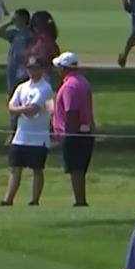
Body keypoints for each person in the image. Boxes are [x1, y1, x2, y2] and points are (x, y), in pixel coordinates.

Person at [0, 56, 53, 207]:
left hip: (39, 136)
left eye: (35, 68)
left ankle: (34, 200)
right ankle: (8, 199)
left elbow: (34, 109)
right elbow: (11, 106)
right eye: (30, 68)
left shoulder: (45, 88)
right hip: (21, 135)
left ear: (41, 69)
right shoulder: (22, 87)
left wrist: (20, 110)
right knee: (15, 168)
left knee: (37, 169)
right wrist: (22, 109)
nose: (32, 71)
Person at [52, 52, 96, 207]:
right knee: (78, 168)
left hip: (74, 132)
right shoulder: (82, 81)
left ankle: (79, 200)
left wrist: (68, 134)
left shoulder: (70, 86)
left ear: (64, 68)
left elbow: (72, 111)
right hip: (84, 131)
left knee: (75, 168)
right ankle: (80, 199)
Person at [0, 8, 34, 142]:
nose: (15, 21)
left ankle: (19, 131)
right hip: (12, 71)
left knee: (22, 101)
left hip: (23, 71)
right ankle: (13, 129)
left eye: (16, 18)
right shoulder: (15, 34)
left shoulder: (30, 35)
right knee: (12, 99)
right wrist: (9, 22)